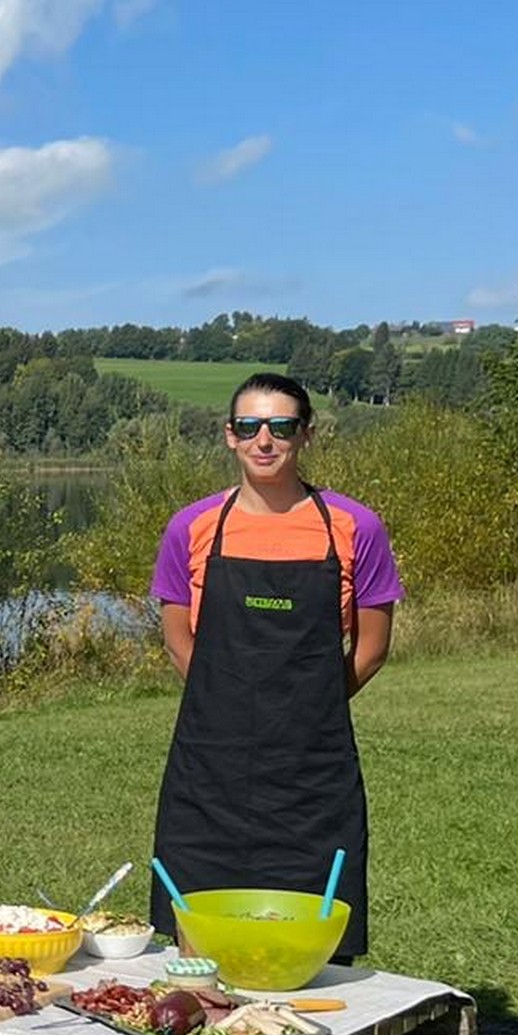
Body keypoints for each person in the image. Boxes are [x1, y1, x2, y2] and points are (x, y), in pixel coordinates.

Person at [149, 373, 402, 957]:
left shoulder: (354, 527)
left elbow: (372, 648)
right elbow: (177, 640)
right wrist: (227, 704)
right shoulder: (190, 528)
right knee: (200, 936)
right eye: (250, 426)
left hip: (312, 772)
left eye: (281, 426)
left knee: (309, 942)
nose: (265, 440)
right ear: (229, 437)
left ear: (306, 435)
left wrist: (309, 707)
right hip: (209, 766)